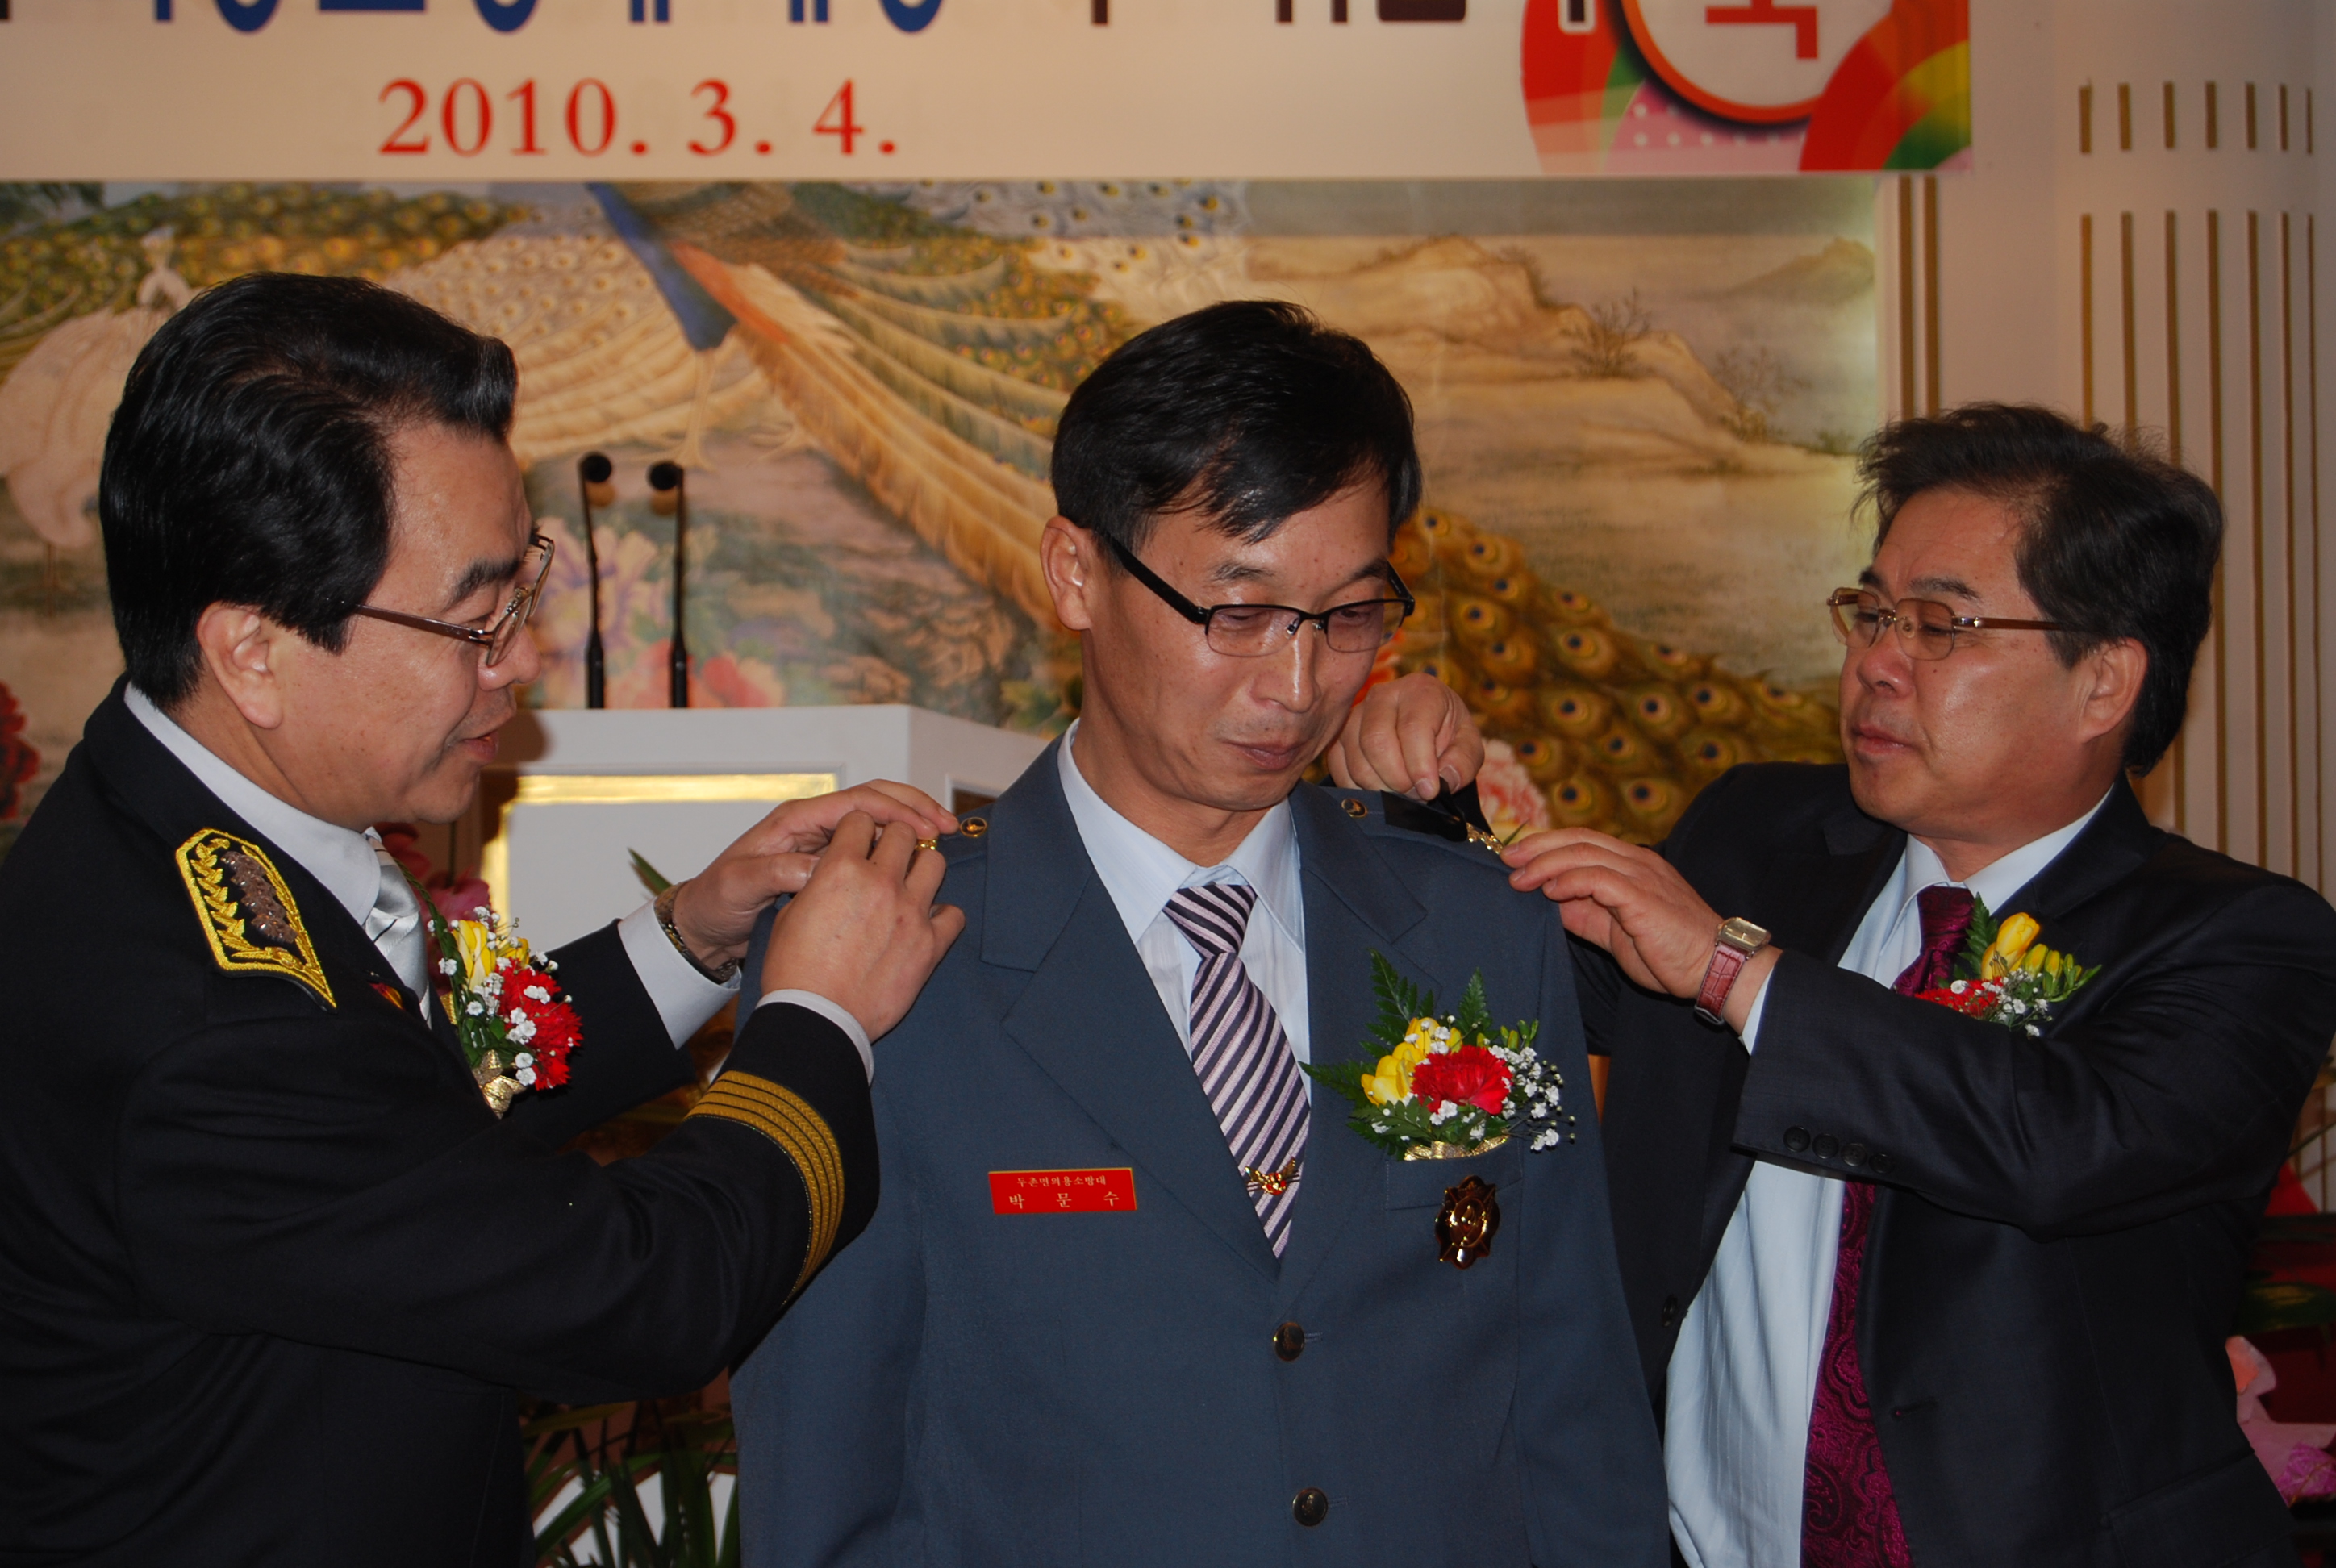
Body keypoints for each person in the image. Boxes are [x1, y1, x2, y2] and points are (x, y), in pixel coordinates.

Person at [0, 272, 1475, 1568]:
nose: (518, 661)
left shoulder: (188, 847)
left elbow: (416, 1108)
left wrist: (696, 932)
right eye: (473, 621)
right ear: (253, 651)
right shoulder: (189, 1012)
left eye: (525, 589)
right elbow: (642, 1292)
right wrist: (815, 1014)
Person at [729, 299, 1669, 1567]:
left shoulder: (1474, 932)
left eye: (1349, 616)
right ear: (1077, 573)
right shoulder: (886, 955)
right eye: (1236, 611)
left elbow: (1572, 1405)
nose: (1296, 684)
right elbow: (827, 1468)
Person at [1500, 404, 2336, 1566]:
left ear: (2103, 683)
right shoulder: (1758, 840)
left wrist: (1736, 972)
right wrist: (1418, 789)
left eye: (1941, 625)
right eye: (1874, 611)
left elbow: (2057, 1143)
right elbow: (1521, 971)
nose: (1876, 663)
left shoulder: (2242, 938)